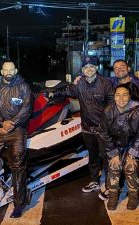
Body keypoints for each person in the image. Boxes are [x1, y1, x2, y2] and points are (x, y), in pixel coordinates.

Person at [54, 56, 113, 195]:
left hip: (102, 128)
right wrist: (51, 94)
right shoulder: (79, 83)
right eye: (86, 67)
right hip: (87, 127)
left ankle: (111, 186)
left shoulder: (106, 83)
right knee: (92, 157)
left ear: (96, 68)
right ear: (82, 70)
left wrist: (106, 122)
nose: (89, 69)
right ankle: (94, 181)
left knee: (106, 157)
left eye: (92, 66)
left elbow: (111, 104)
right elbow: (66, 92)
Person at [0, 60, 32, 218]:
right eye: (6, 70)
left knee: (17, 165)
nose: (9, 72)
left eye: (11, 69)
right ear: (2, 72)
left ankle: (19, 204)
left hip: (17, 130)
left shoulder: (23, 86)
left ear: (15, 70)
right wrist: (1, 122)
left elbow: (26, 108)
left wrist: (13, 123)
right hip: (0, 128)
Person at [99, 84, 139, 210]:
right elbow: (104, 133)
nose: (121, 98)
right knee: (113, 166)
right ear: (114, 97)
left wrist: (133, 153)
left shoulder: (137, 111)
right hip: (115, 146)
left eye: (125, 95)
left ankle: (133, 196)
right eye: (118, 95)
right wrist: (114, 153)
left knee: (131, 166)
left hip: (132, 145)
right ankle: (113, 196)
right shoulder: (107, 111)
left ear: (130, 96)